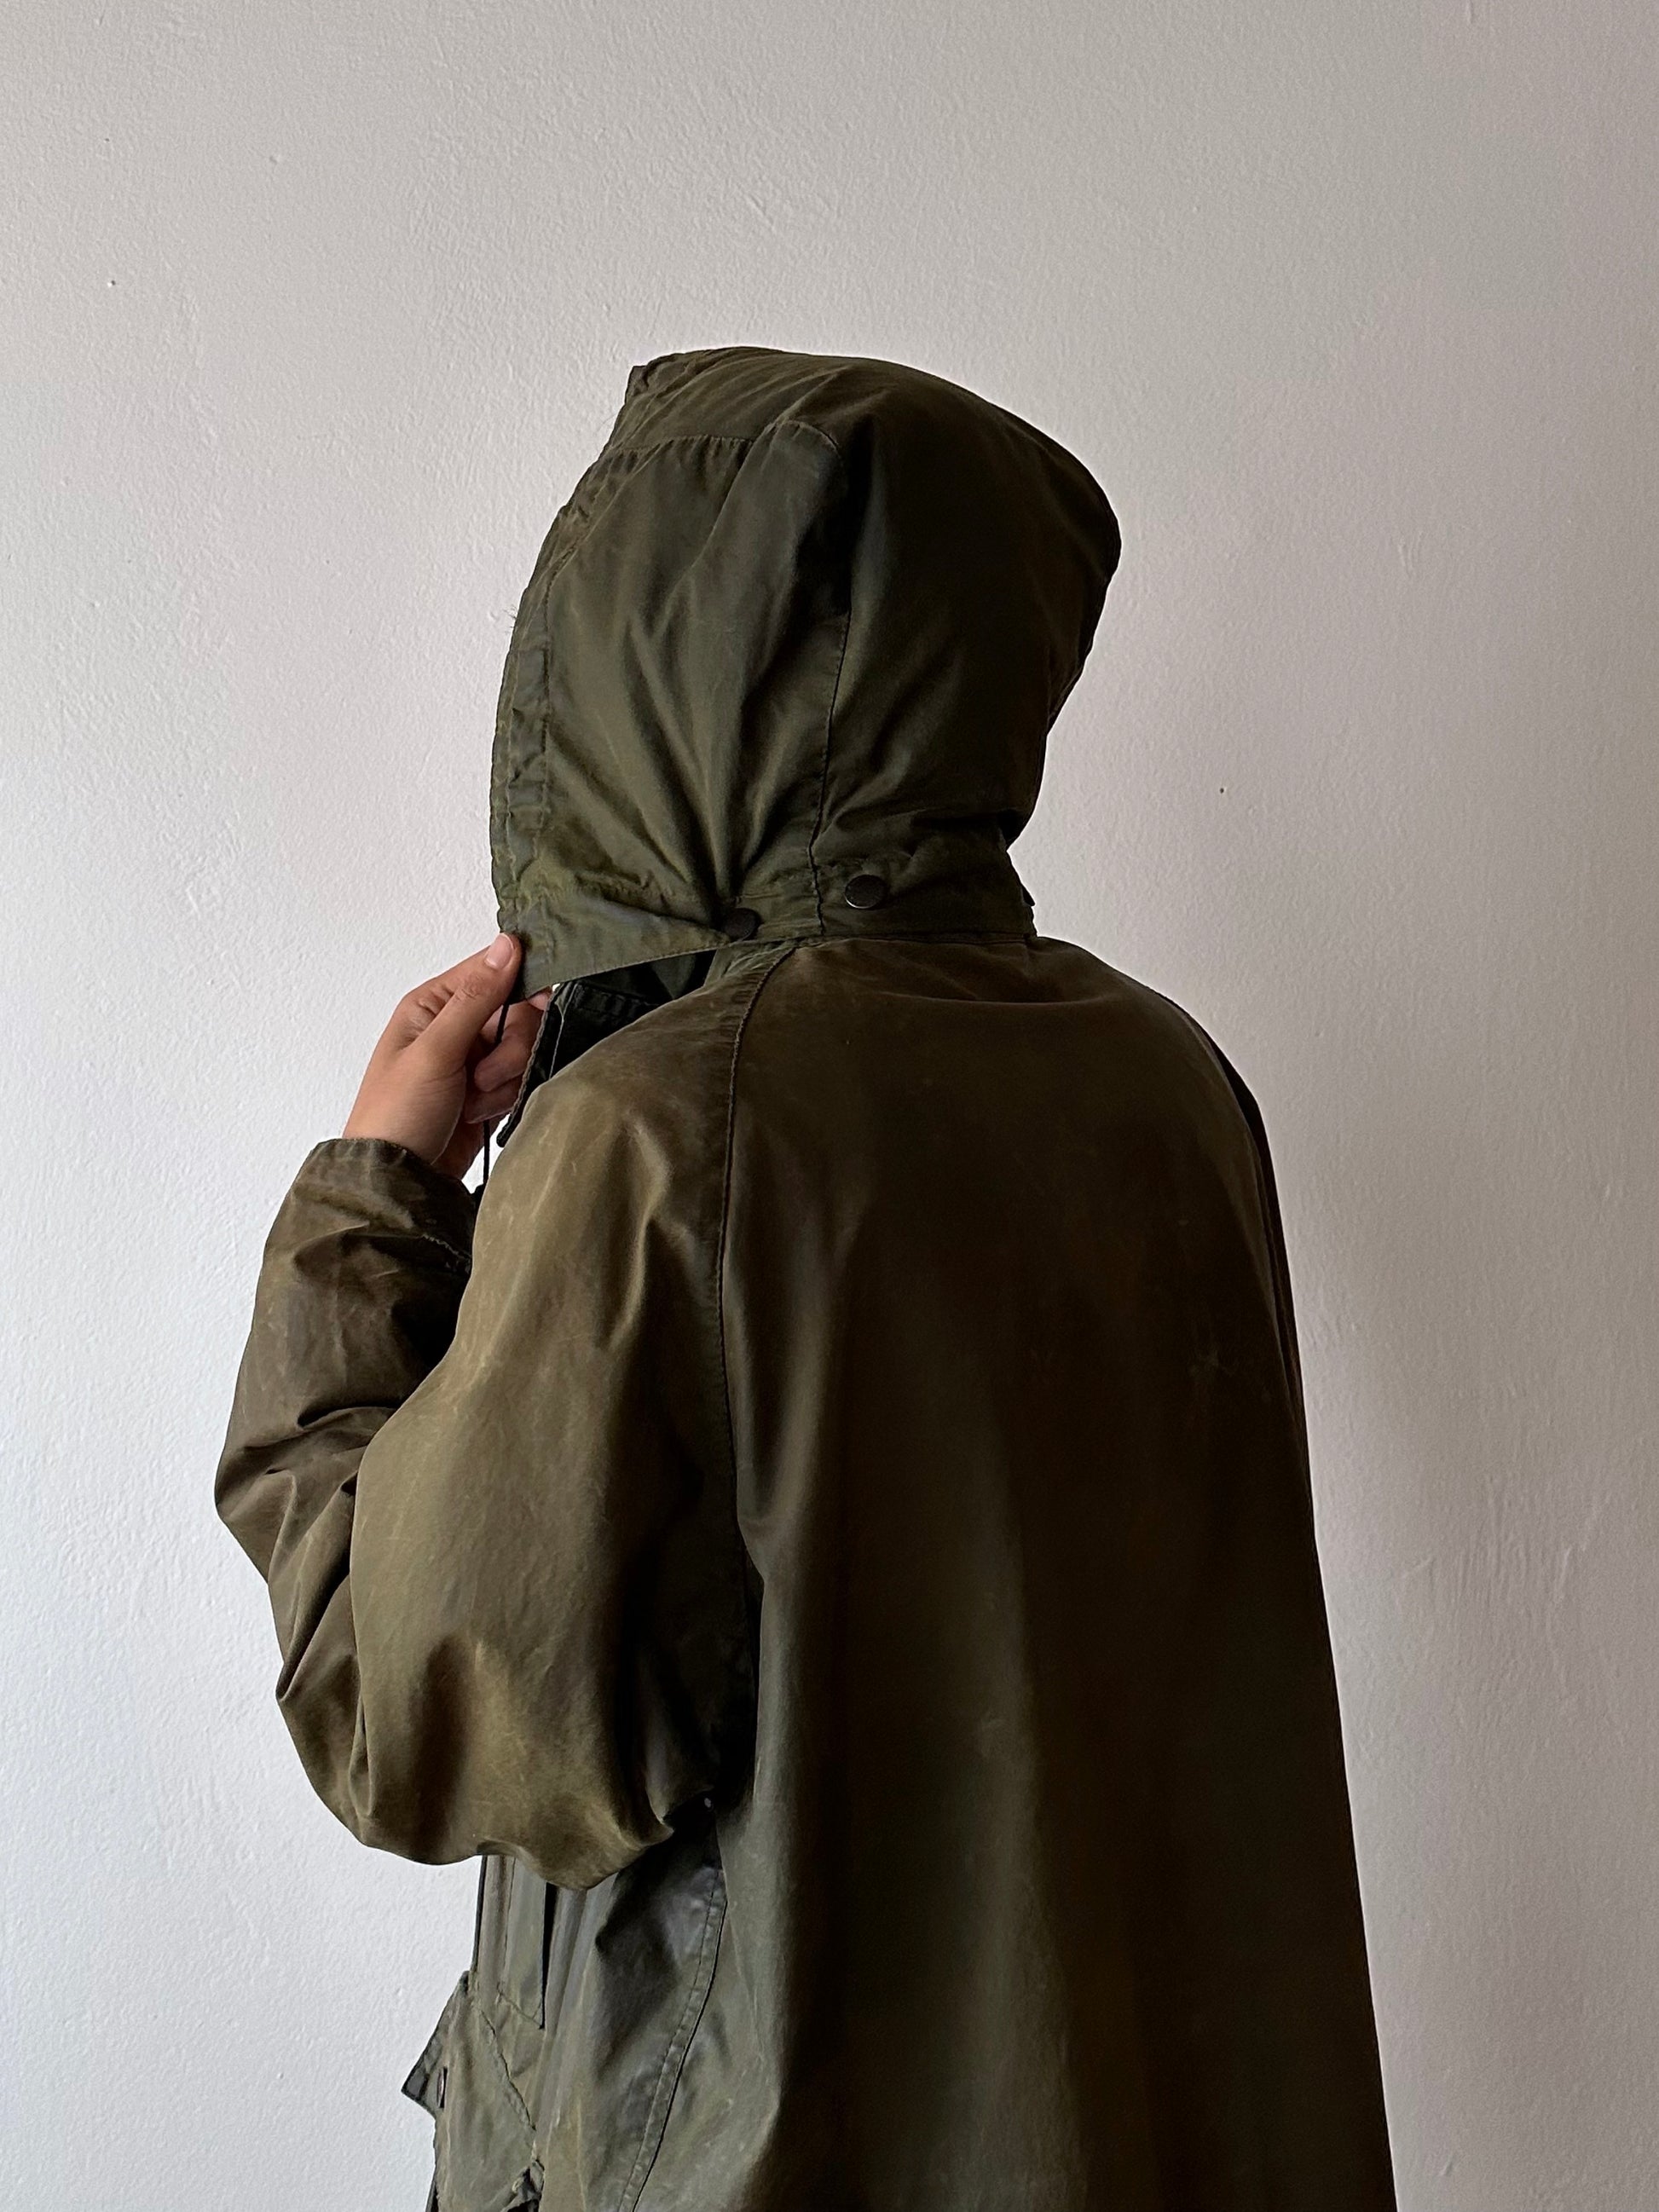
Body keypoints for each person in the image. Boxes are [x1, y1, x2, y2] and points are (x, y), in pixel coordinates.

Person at [216, 345, 1396, 2210]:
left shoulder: (658, 1133)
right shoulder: (1168, 1076)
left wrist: (374, 1197)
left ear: (638, 677)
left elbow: (409, 1715)